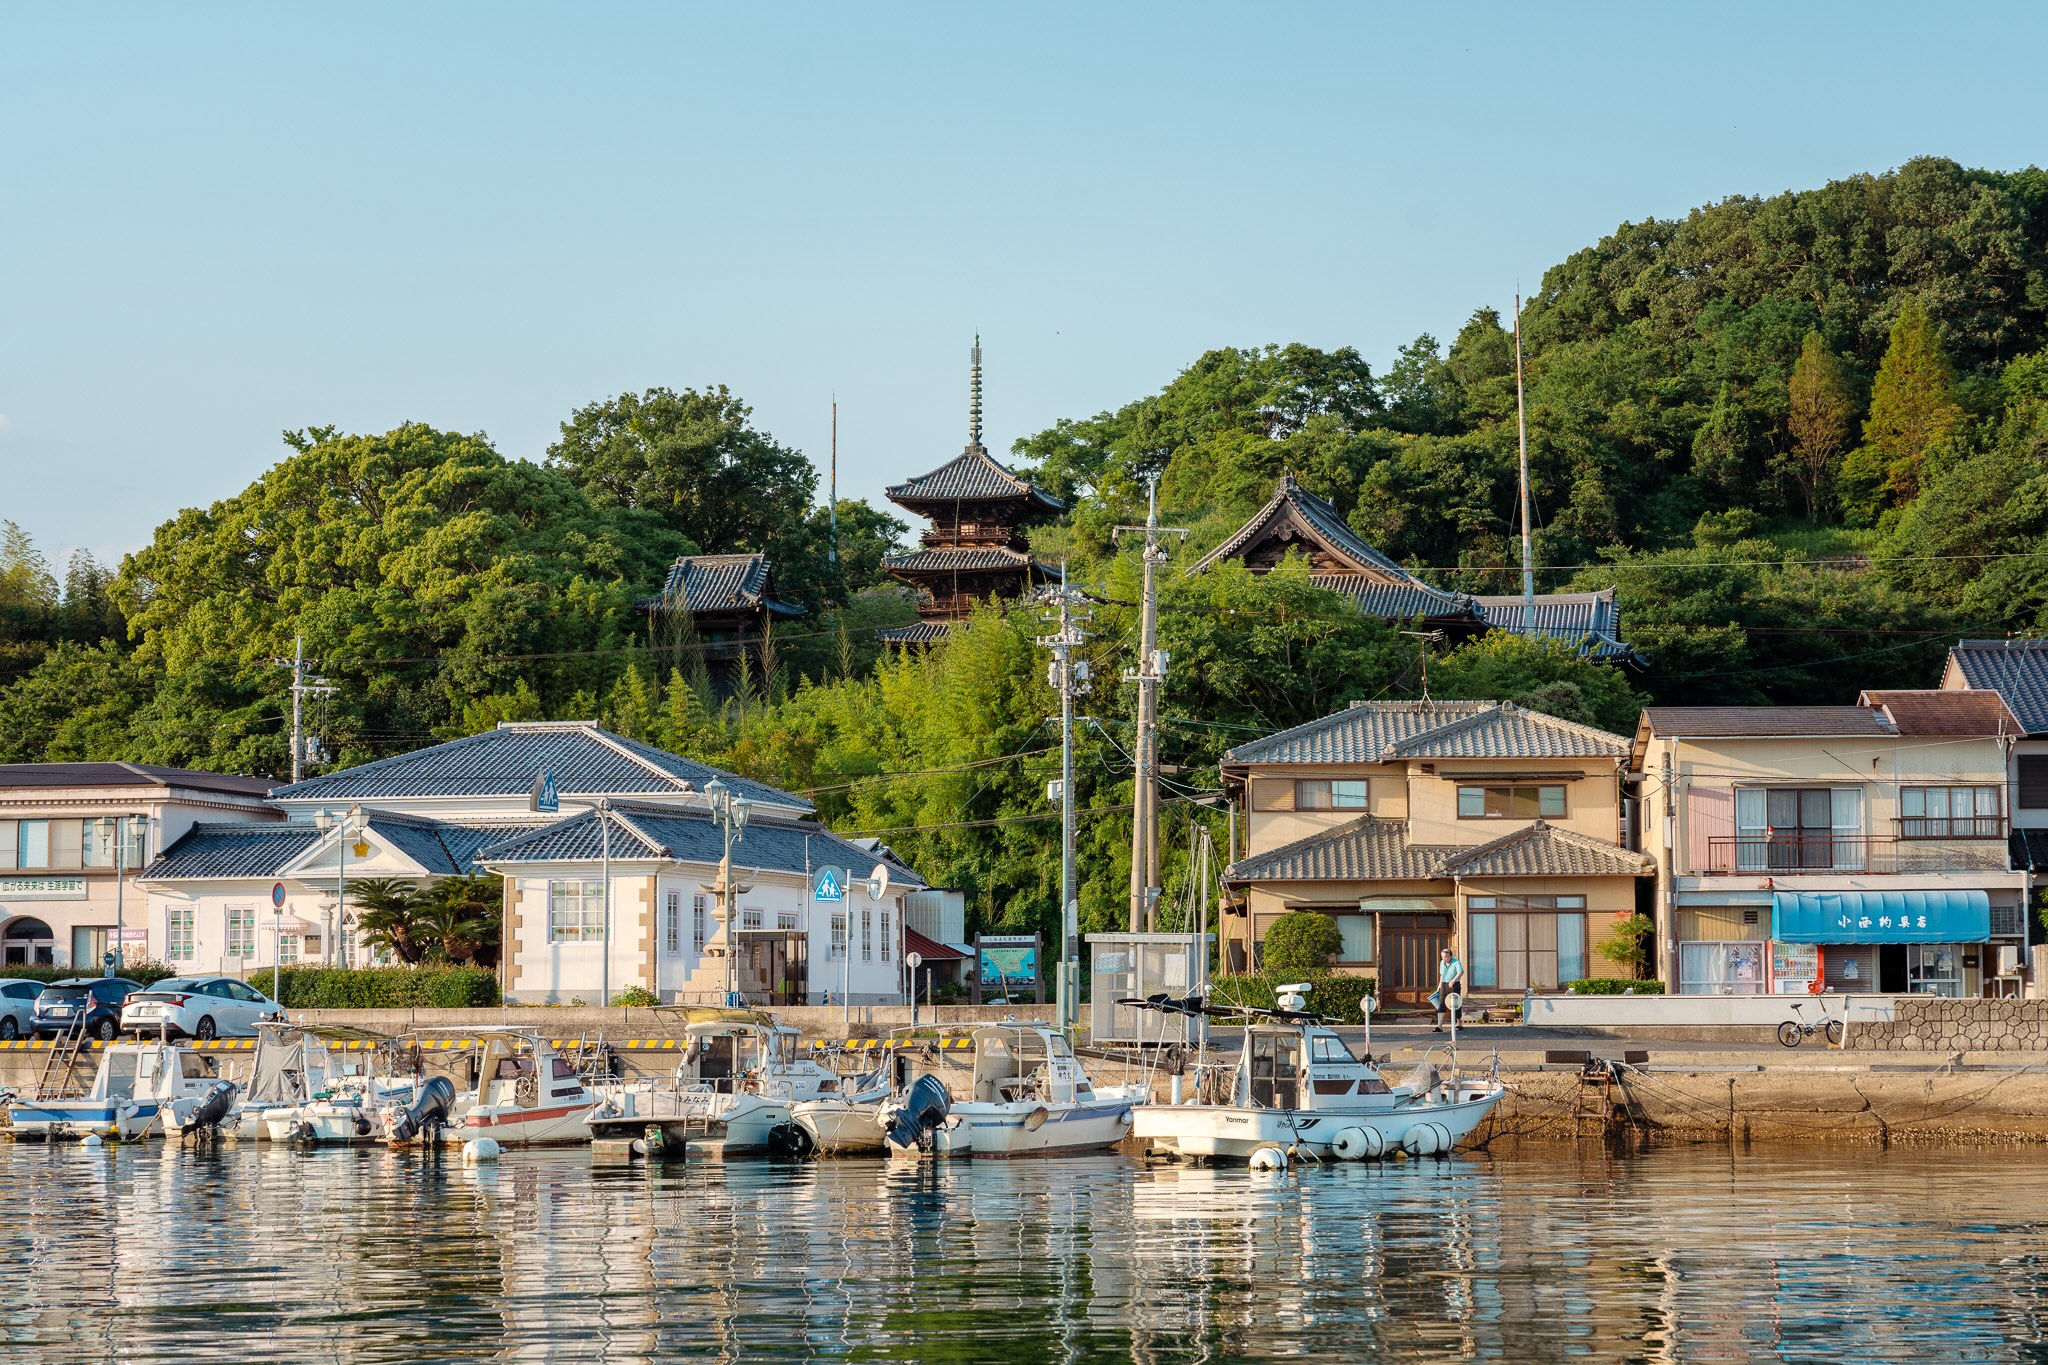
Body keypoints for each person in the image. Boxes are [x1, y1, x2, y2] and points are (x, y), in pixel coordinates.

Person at [1430, 947, 1465, 1032]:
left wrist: (1453, 980)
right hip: (1444, 984)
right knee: (1441, 1004)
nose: (1444, 959)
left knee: (1455, 1004)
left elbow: (1461, 972)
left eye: (1446, 957)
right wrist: (1439, 985)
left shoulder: (1456, 962)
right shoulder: (1442, 962)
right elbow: (1442, 975)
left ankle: (1459, 1023)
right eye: (1442, 957)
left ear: (1450, 956)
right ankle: (1439, 1026)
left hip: (1454, 985)